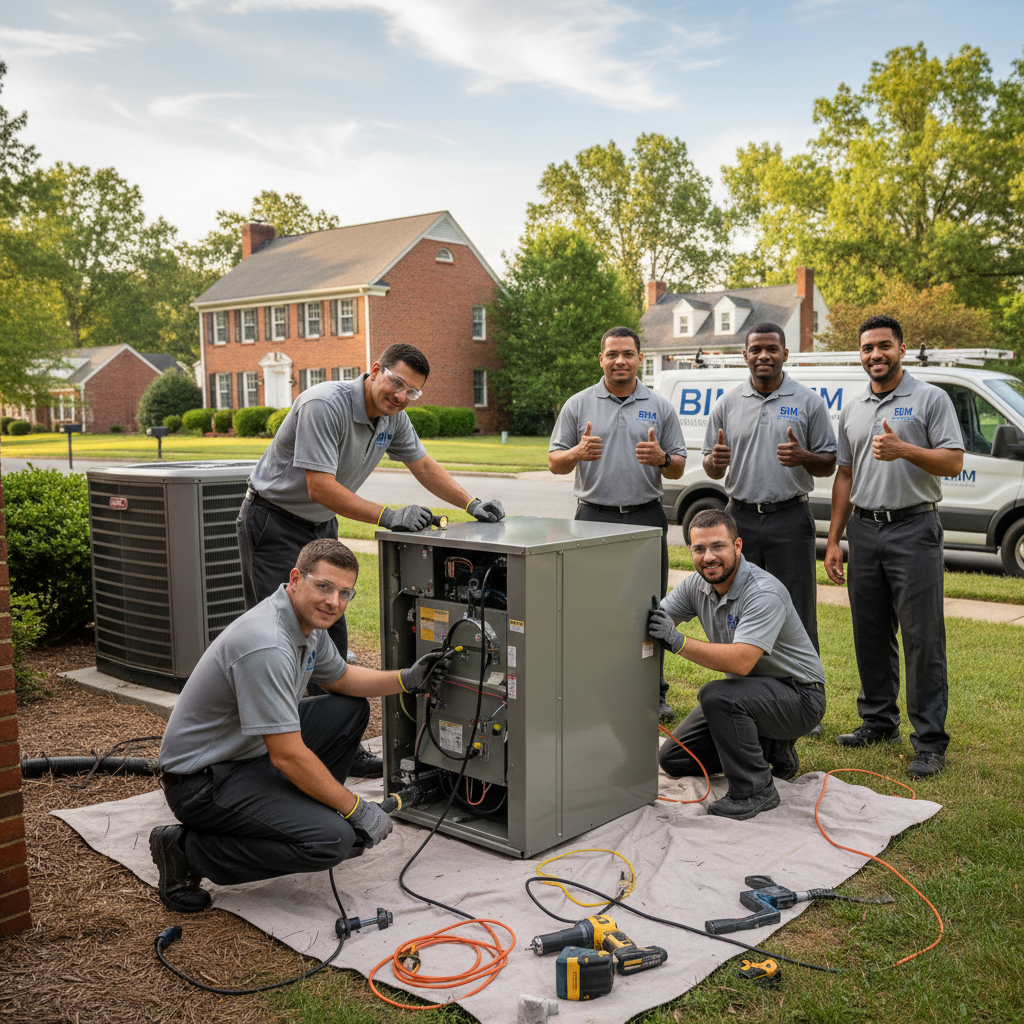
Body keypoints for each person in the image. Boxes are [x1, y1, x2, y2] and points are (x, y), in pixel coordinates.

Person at [237, 342, 504, 774]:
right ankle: (276, 753)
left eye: (411, 392)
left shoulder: (393, 418)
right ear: (375, 369)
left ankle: (337, 742)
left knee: (331, 627)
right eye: (396, 383)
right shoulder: (326, 405)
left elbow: (422, 464)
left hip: (319, 525)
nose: (400, 396)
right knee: (284, 636)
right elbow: (319, 487)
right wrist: (389, 515)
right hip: (273, 521)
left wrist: (470, 503)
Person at [150, 538, 450, 913]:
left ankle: (306, 809)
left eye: (345, 593)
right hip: (201, 783)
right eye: (323, 587)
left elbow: (339, 679)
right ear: (295, 579)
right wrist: (355, 809)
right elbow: (288, 756)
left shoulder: (305, 622)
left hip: (246, 754)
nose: (333, 602)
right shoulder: (268, 645)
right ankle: (186, 851)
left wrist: (407, 678)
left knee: (348, 710)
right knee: (335, 842)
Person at [824, 315, 964, 778]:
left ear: (901, 350)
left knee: (923, 638)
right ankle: (878, 721)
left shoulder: (931, 398)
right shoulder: (853, 406)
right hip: (864, 530)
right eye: (867, 348)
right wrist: (834, 538)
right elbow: (845, 474)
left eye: (884, 346)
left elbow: (953, 460)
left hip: (914, 529)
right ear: (859, 354)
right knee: (869, 631)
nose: (875, 355)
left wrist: (905, 450)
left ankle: (928, 741)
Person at [648, 509, 826, 820]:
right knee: (675, 759)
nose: (708, 557)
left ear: (738, 546)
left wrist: (677, 641)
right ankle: (771, 750)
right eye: (699, 549)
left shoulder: (762, 592)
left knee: (718, 695)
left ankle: (755, 789)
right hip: (751, 696)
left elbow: (742, 662)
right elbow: (655, 619)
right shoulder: (696, 585)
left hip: (799, 697)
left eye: (718, 546)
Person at [549, 326, 688, 720]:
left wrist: (662, 458)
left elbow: (678, 468)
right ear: (601, 359)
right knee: (591, 608)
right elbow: (555, 463)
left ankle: (652, 691)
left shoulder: (660, 406)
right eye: (612, 354)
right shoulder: (578, 404)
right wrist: (577, 451)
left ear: (639, 358)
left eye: (627, 354)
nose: (620, 361)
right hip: (593, 517)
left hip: (646, 518)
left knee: (650, 609)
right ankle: (592, 688)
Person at [702, 322, 837, 654]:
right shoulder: (727, 404)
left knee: (797, 609)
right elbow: (710, 464)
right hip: (739, 519)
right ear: (744, 355)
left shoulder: (809, 402)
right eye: (756, 349)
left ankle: (804, 693)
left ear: (785, 354)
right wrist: (716, 462)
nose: (763, 355)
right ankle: (748, 689)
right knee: (739, 607)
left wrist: (804, 456)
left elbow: (829, 463)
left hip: (790, 518)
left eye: (772, 349)